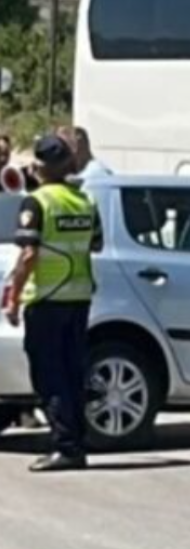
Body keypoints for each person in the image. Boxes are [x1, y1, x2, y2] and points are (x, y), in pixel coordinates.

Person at [1, 135, 102, 472]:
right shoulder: (84, 201)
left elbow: (29, 254)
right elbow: (96, 244)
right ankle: (77, 440)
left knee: (50, 376)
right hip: (79, 299)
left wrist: (13, 297)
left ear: (41, 167)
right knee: (73, 372)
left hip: (46, 298)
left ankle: (65, 447)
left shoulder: (37, 202)